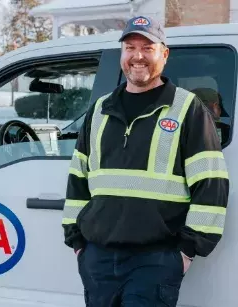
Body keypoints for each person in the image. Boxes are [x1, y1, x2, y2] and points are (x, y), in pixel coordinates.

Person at [62, 16, 229, 307]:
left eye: (147, 47)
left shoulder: (188, 109)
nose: (137, 56)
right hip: (98, 261)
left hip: (155, 261)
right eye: (130, 47)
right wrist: (77, 242)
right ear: (122, 55)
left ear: (163, 54)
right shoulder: (100, 109)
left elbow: (211, 184)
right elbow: (78, 178)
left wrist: (187, 250)